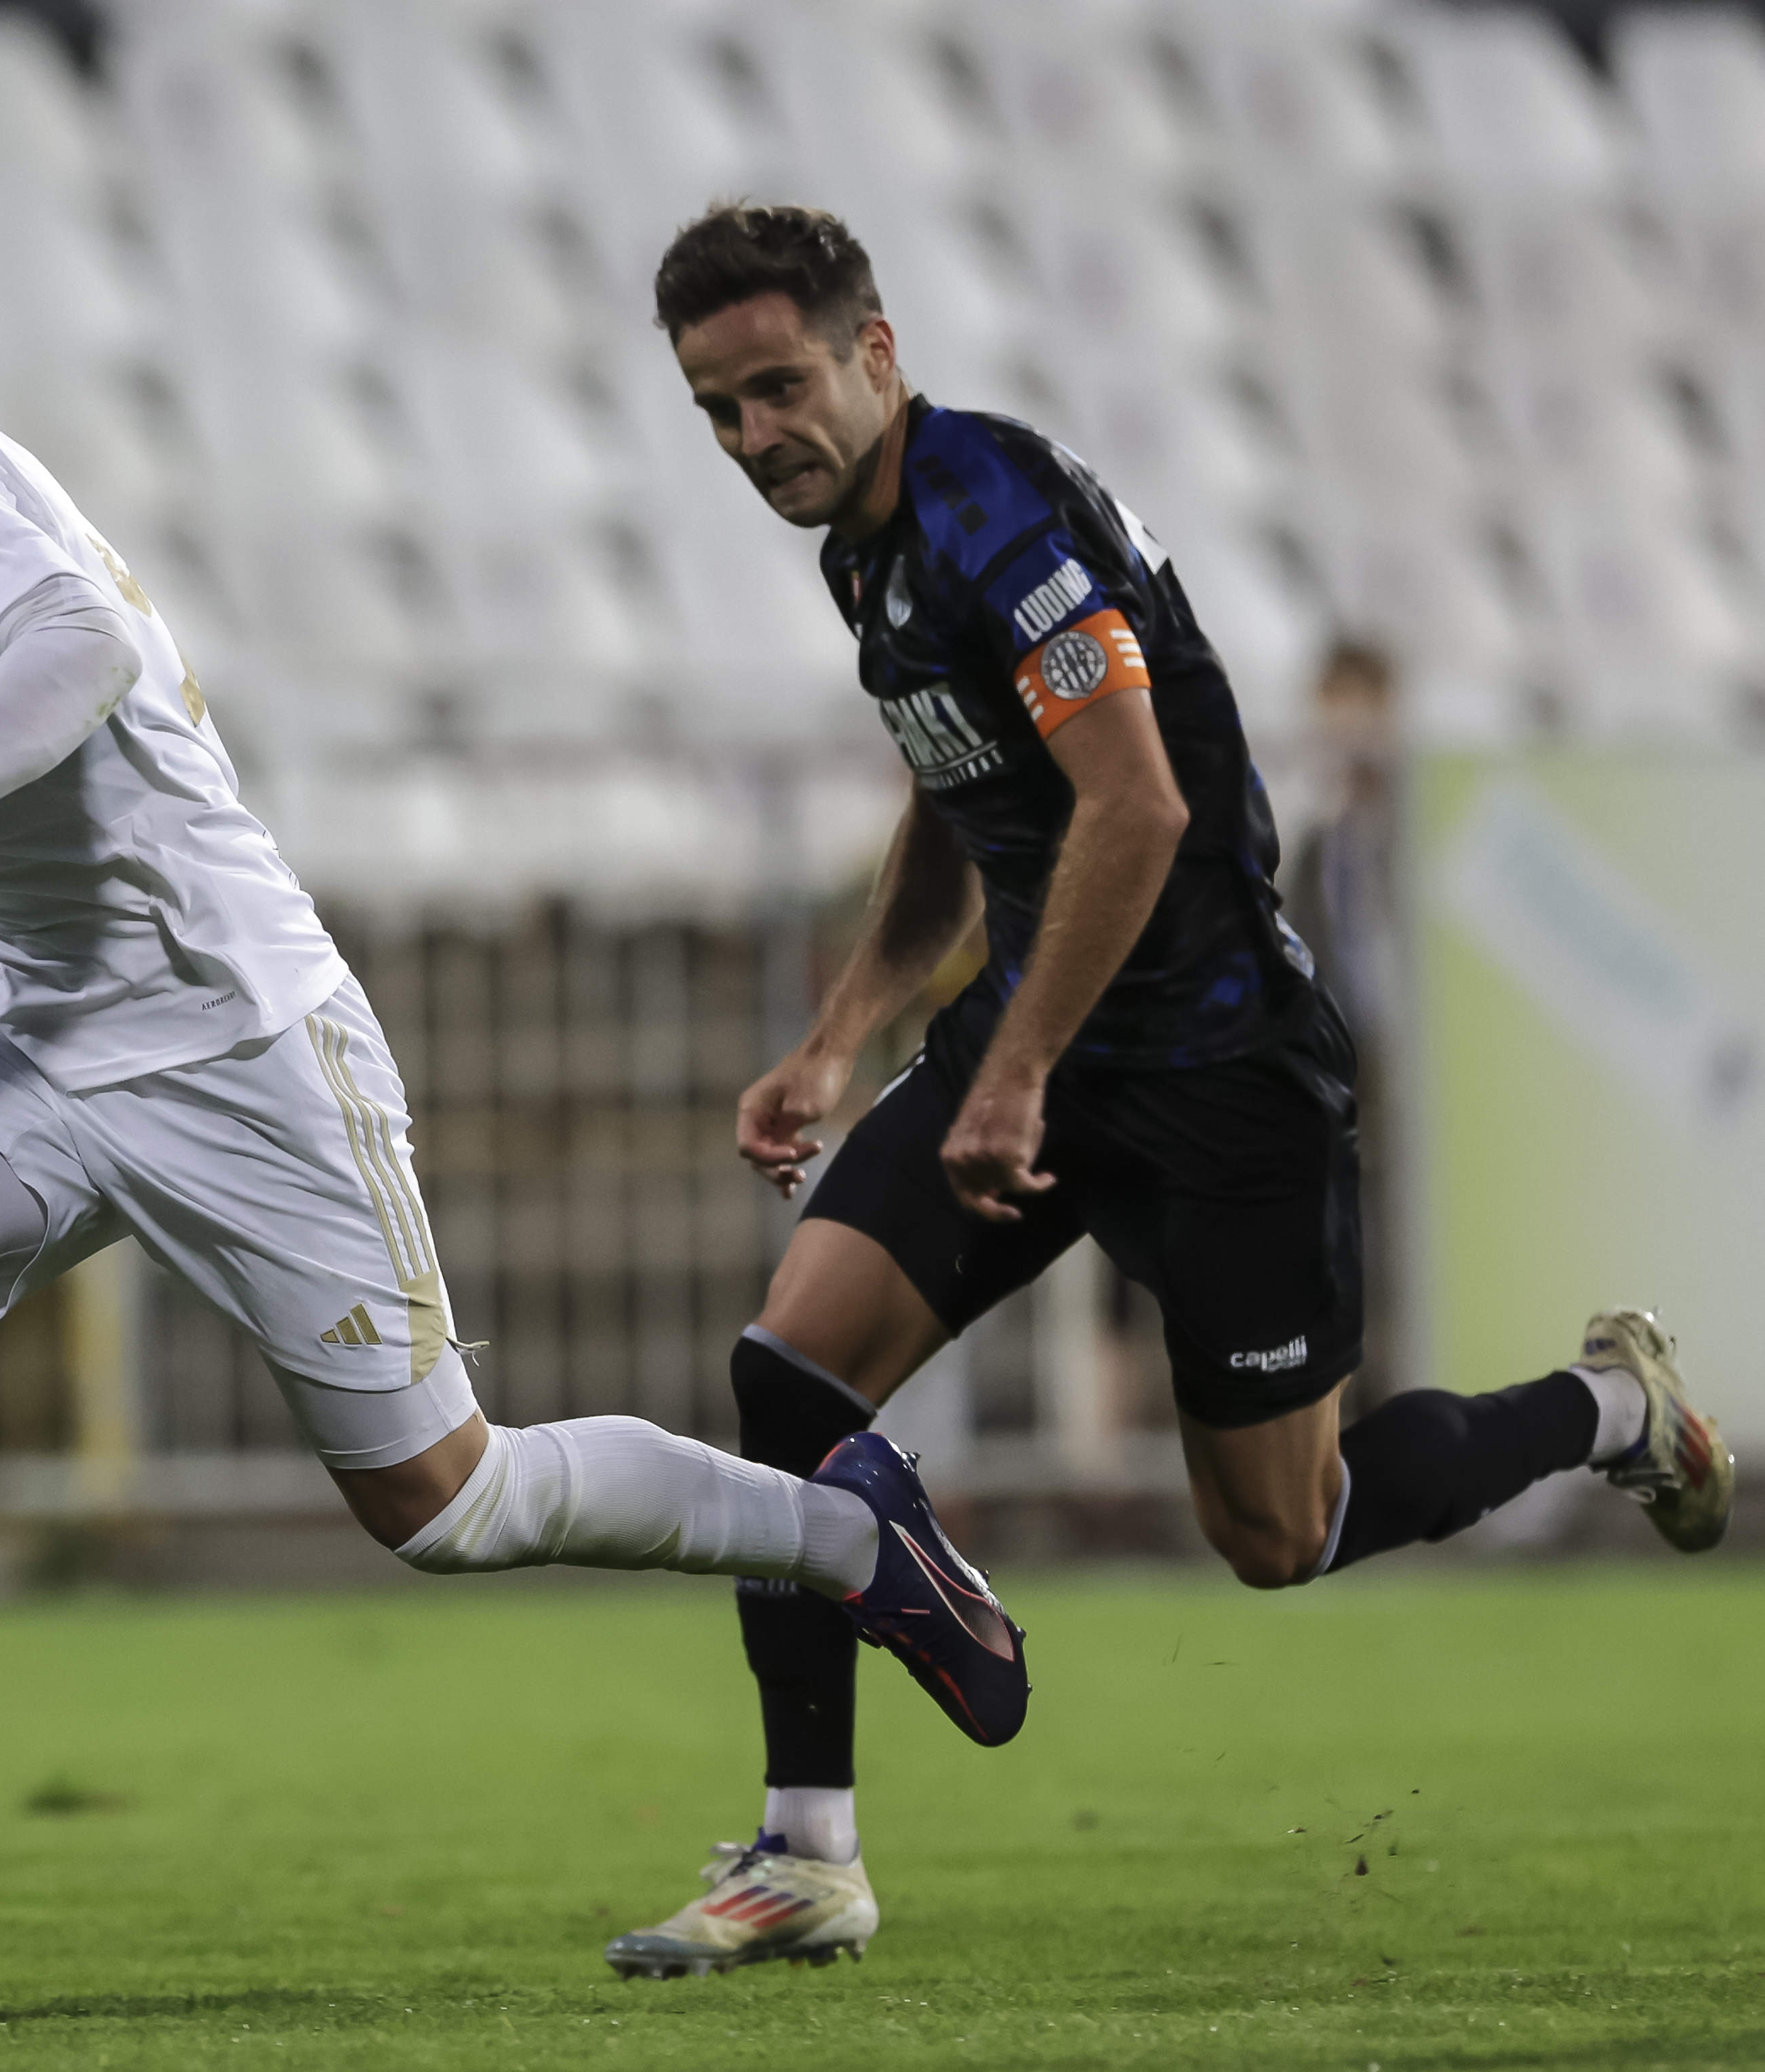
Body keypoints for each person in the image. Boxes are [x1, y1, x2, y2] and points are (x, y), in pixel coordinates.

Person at [0, 214, 1033, 1905]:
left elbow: (81, 648)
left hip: (228, 1026)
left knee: (449, 1503)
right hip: (22, 1014)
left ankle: (854, 1535)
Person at [610, 203, 1735, 1979]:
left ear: (875, 353)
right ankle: (802, 1850)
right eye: (719, 412)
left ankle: (1606, 1406)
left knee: (1279, 1535)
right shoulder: (866, 556)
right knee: (790, 1369)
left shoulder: (998, 511)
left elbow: (1128, 806)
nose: (758, 439)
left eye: (778, 389)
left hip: (1219, 1077)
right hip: (1037, 1050)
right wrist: (839, 1040)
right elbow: (960, 799)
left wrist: (1019, 1068)